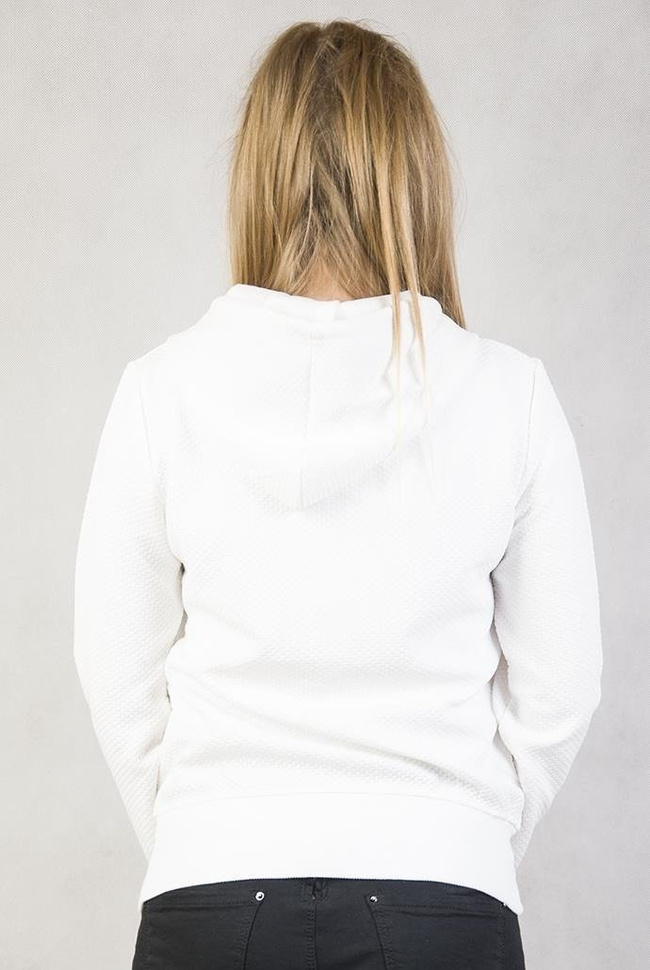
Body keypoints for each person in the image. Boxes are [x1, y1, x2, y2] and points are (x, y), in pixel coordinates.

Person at [72, 18, 603, 970]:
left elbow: (117, 672)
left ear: (256, 179)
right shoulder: (510, 395)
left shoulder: (161, 391)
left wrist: (208, 831)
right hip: (446, 896)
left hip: (209, 899)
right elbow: (560, 689)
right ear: (418, 177)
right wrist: (459, 835)